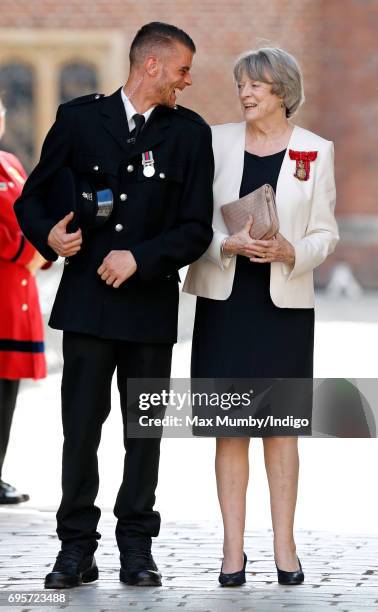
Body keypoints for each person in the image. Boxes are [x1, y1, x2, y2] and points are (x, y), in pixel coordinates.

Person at [15, 22, 213, 589]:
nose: (187, 80)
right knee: (80, 430)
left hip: (149, 310)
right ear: (151, 66)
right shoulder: (80, 119)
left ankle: (136, 548)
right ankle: (75, 549)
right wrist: (49, 237)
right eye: (181, 70)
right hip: (86, 308)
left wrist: (142, 258)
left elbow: (196, 227)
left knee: (143, 433)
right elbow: (34, 199)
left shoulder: (188, 135)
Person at [184, 47, 339, 586]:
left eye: (257, 86)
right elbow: (191, 221)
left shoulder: (317, 150)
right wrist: (226, 244)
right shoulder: (214, 141)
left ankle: (285, 550)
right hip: (225, 305)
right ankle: (232, 554)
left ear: (284, 92)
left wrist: (291, 252)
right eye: (242, 84)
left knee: (281, 433)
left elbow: (326, 232)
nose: (245, 93)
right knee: (229, 432)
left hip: (284, 310)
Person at [0, 96, 48, 504]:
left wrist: (43, 244)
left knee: (6, 391)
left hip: (18, 294)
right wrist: (26, 249)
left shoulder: (11, 163)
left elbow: (30, 211)